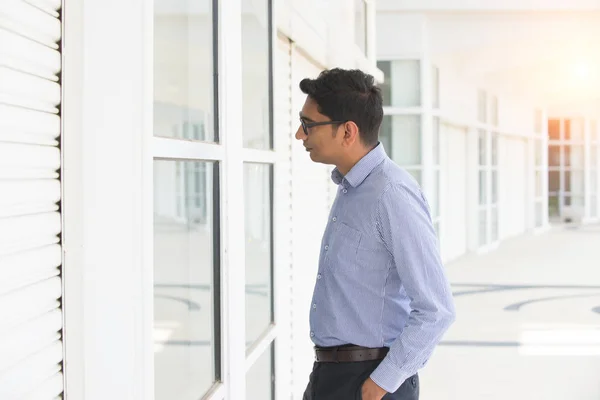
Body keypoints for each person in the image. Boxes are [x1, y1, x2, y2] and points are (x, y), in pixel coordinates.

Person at [296, 68, 456, 400]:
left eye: (308, 124)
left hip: (369, 381)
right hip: (331, 375)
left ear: (347, 132)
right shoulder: (351, 188)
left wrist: (381, 384)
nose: (300, 134)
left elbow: (436, 309)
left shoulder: (391, 194)